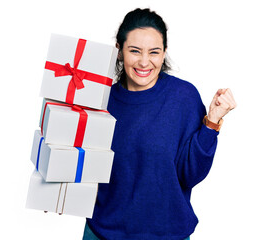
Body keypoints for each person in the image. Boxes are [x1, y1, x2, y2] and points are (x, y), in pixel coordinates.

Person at [83, 8, 236, 240]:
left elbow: (190, 174)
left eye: (154, 52)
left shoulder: (184, 97)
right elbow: (81, 163)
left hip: (168, 234)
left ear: (164, 53)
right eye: (134, 51)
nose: (144, 62)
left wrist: (212, 122)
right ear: (119, 51)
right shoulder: (99, 101)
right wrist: (56, 191)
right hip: (103, 232)